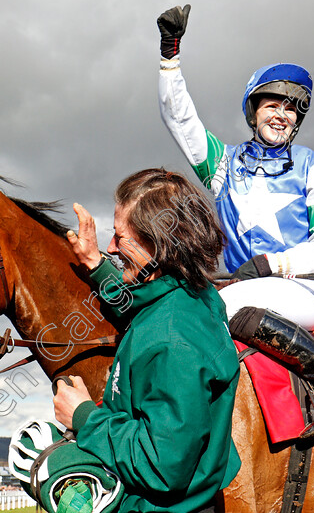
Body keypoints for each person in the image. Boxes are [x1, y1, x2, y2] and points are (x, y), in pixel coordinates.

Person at [156, 5, 314, 436]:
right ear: (253, 111)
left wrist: (272, 265)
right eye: (272, 104)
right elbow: (180, 119)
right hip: (248, 288)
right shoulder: (222, 165)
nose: (281, 114)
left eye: (291, 108)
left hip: (309, 289)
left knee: (225, 306)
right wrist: (170, 56)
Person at [53, 169, 241, 513]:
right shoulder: (194, 296)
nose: (111, 246)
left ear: (160, 245)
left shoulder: (173, 340)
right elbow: (139, 305)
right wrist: (96, 264)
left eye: (121, 237)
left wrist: (82, 417)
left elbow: (162, 465)